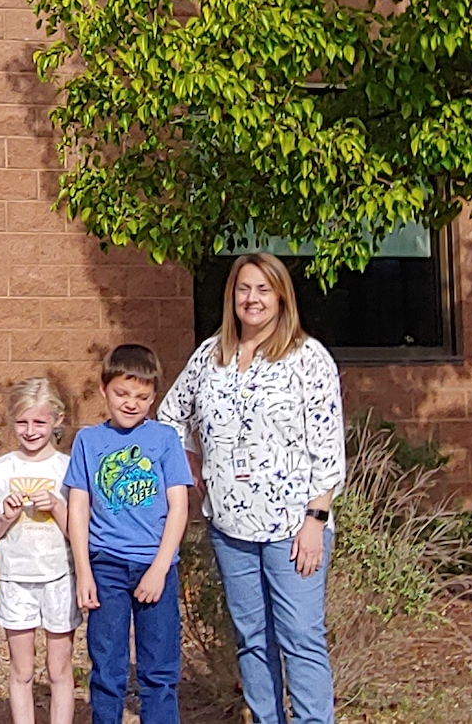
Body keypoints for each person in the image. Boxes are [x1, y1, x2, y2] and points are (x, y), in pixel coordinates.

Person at [158, 254, 346, 724]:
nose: (252, 299)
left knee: (300, 637)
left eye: (263, 289)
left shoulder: (307, 357)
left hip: (292, 527)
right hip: (230, 526)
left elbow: (328, 448)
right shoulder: (209, 356)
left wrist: (315, 520)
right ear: (232, 296)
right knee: (252, 638)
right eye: (244, 289)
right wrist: (191, 462)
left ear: (281, 296)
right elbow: (169, 416)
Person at [66, 344, 193, 724]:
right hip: (106, 566)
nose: (131, 403)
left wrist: (159, 568)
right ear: (105, 389)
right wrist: (84, 572)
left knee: (159, 669)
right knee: (108, 667)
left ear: (154, 397)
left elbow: (178, 507)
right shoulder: (88, 442)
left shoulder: (164, 439)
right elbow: (77, 509)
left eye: (142, 396)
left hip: (155, 566)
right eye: (122, 393)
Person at [0, 378, 79, 724]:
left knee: (59, 668)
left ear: (57, 420)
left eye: (39, 422)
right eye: (22, 422)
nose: (31, 430)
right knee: (21, 669)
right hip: (16, 578)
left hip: (60, 576)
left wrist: (57, 506)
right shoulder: (0, 469)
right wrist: (6, 516)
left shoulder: (69, 468)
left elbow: (79, 534)